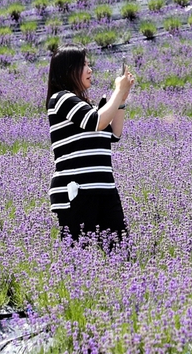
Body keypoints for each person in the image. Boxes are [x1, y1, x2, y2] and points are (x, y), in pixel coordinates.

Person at [47, 46, 134, 243]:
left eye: (89, 64)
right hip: (77, 192)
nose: (90, 69)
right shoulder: (61, 99)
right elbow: (96, 121)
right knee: (77, 259)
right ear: (69, 70)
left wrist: (121, 98)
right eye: (83, 65)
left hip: (105, 189)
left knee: (122, 255)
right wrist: (117, 91)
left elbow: (114, 133)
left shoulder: (86, 106)